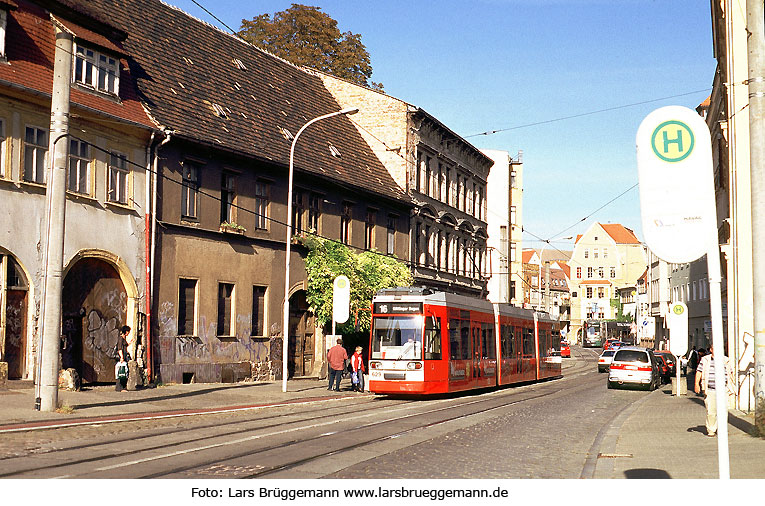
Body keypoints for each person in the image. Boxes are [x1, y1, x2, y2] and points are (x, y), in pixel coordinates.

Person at [694, 345, 733, 437]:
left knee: (723, 411)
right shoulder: (705, 360)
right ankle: (711, 429)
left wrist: (732, 386)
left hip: (723, 390)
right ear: (711, 350)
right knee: (711, 412)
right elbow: (699, 372)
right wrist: (696, 384)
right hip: (710, 389)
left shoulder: (725, 360)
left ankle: (722, 430)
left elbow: (730, 373)